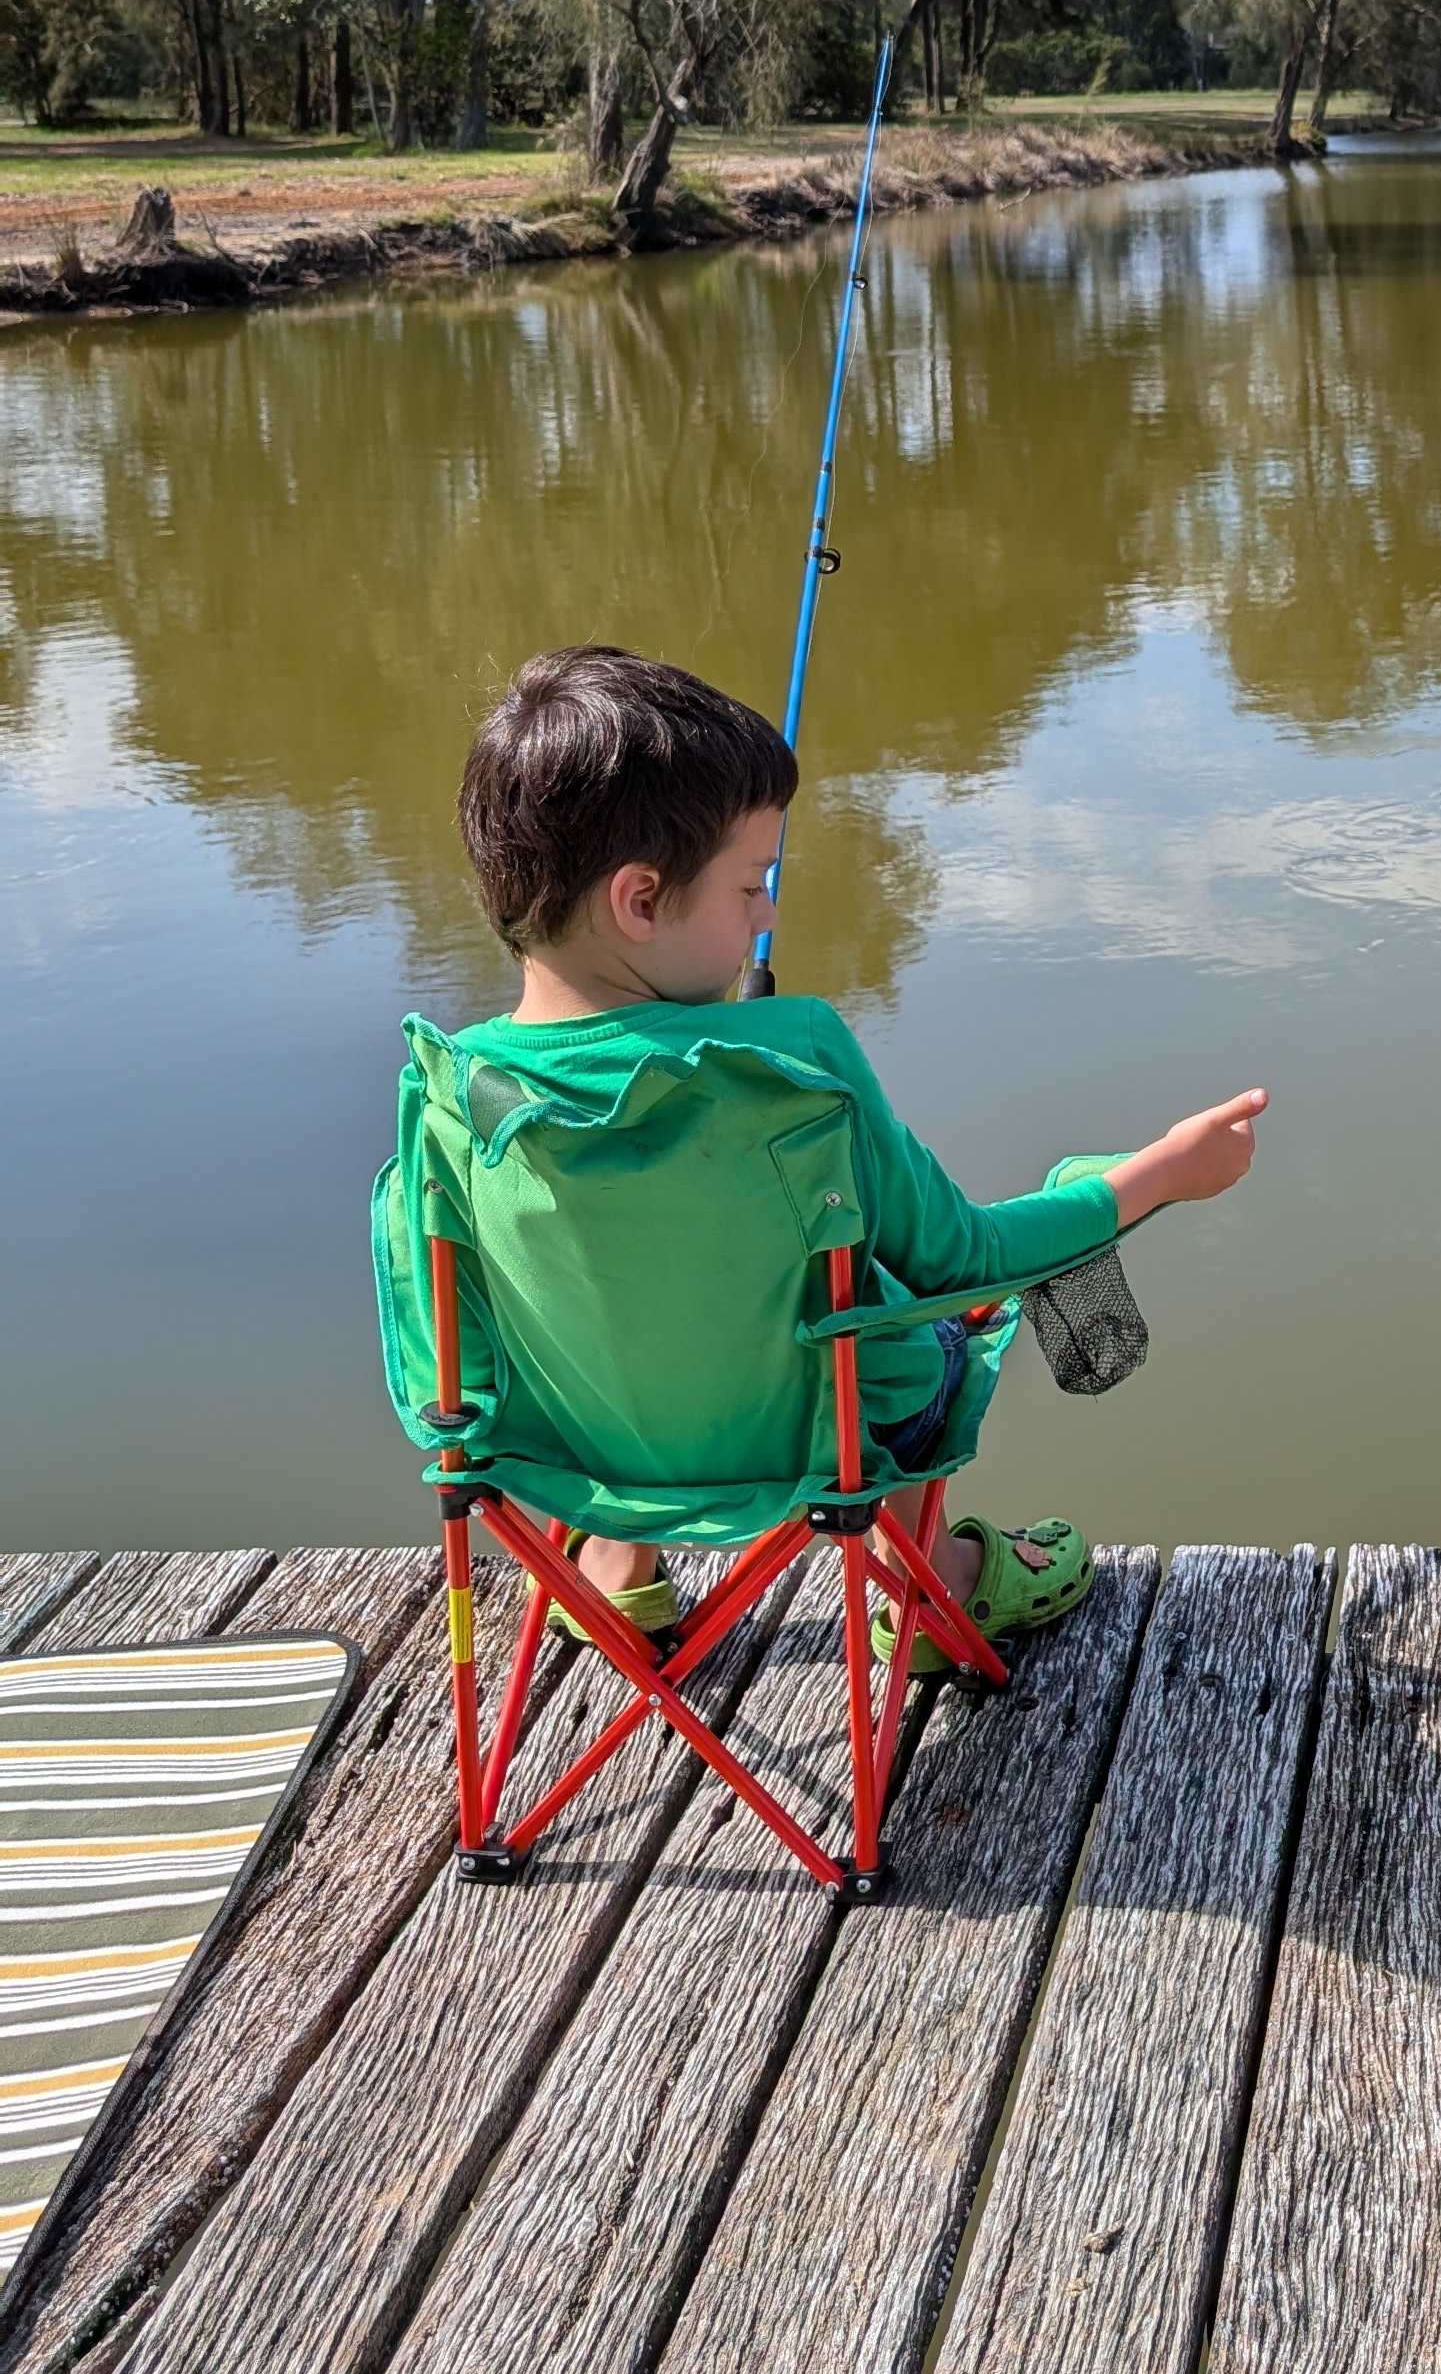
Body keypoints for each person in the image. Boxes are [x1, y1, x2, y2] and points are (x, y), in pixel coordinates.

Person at [412, 644, 1265, 1660]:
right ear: (641, 901)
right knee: (918, 1330)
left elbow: (442, 1347)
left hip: (568, 1457)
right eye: (748, 888)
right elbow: (961, 1261)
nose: (767, 914)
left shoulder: (451, 1095)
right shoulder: (796, 1061)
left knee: (620, 1323)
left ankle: (609, 1569)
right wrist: (1162, 1171)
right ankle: (939, 1590)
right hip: (818, 1449)